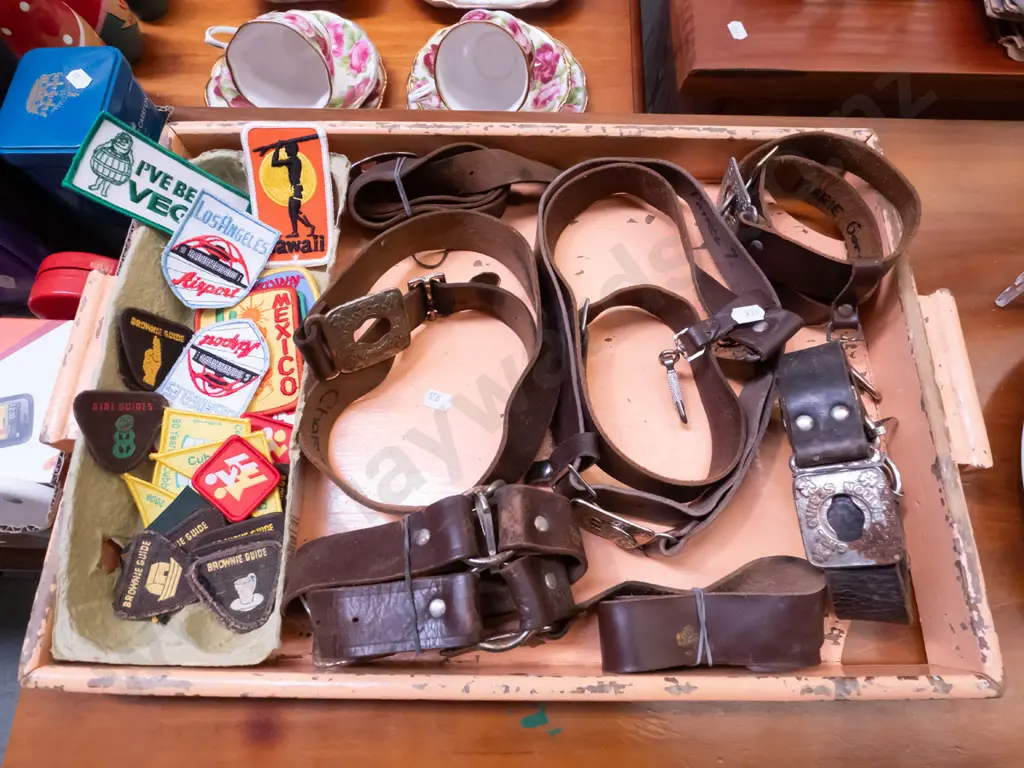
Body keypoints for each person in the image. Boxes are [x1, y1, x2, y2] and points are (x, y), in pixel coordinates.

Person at [271, 141, 316, 239]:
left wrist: (278, 148)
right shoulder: (294, 160)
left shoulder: (293, 160)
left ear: (292, 149)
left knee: (293, 212)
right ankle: (303, 229)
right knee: (293, 213)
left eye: (287, 148)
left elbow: (274, 163)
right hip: (294, 189)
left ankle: (308, 227)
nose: (285, 150)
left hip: (296, 189)